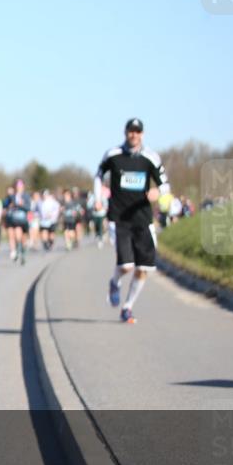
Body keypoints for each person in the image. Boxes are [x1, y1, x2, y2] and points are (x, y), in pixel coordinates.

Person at [95, 117, 170, 324]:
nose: (134, 135)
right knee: (127, 265)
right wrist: (99, 199)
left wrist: (158, 192)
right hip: (119, 218)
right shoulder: (114, 155)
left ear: (142, 134)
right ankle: (114, 282)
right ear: (125, 132)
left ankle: (127, 307)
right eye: (131, 131)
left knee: (143, 268)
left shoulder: (150, 157)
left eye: (137, 131)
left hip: (143, 219)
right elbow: (98, 176)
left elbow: (165, 185)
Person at [2, 179, 32, 264]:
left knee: (23, 239)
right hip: (13, 219)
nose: (19, 188)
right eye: (17, 186)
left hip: (23, 220)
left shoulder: (26, 196)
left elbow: (29, 208)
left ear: (23, 187)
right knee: (15, 234)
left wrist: (22, 205)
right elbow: (4, 205)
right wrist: (9, 206)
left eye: (20, 186)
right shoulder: (12, 196)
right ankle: (16, 250)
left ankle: (23, 252)